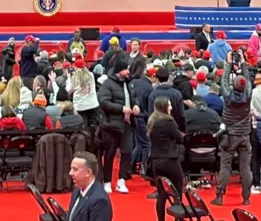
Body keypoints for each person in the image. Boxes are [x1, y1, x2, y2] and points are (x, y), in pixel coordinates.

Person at [212, 51, 253, 206]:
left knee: (225, 166)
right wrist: (243, 63)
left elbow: (223, 79)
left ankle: (220, 195)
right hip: (245, 135)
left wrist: (228, 63)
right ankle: (246, 198)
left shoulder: (228, 95)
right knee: (245, 167)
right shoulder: (248, 95)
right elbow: (247, 79)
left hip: (230, 136)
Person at [98, 55, 140, 194]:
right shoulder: (107, 84)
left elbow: (134, 98)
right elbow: (103, 102)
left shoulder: (129, 83)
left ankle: (122, 181)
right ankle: (107, 181)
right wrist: (121, 109)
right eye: (126, 69)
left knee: (127, 152)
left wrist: (136, 106)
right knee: (109, 154)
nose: (128, 71)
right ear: (118, 71)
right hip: (111, 125)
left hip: (127, 123)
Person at [148, 96, 184, 221]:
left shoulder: (151, 120)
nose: (171, 107)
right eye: (169, 105)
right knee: (178, 192)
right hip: (170, 160)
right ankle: (178, 218)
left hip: (156, 161)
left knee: (161, 194)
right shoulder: (169, 121)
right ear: (164, 107)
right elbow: (180, 139)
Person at [68, 151, 113, 221]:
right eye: (71, 169)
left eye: (75, 169)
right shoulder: (76, 191)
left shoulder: (100, 201)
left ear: (88, 172)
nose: (70, 173)